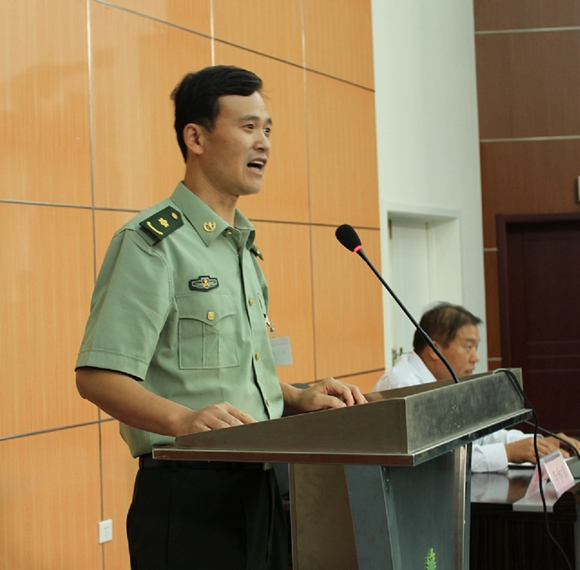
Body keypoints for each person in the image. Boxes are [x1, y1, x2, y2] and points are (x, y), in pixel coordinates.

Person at [75, 65, 366, 570]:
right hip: (190, 496)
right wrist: (182, 420)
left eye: (268, 129)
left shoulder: (242, 248)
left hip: (263, 485)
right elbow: (97, 376)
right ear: (196, 137)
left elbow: (231, 372)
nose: (264, 142)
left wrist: (297, 397)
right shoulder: (152, 244)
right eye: (248, 126)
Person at [373, 302, 580, 472]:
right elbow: (436, 461)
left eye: (476, 347)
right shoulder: (401, 386)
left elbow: (480, 437)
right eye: (468, 346)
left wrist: (539, 443)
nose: (476, 357)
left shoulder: (448, 382)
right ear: (435, 350)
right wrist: (508, 452)